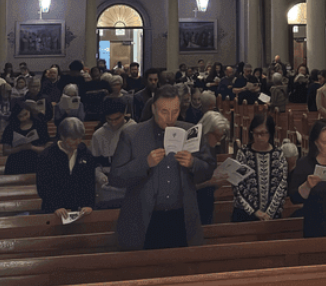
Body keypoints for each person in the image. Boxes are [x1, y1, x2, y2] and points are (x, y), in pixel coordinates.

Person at [108, 86, 216, 249]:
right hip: (143, 220)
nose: (170, 118)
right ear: (153, 108)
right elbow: (115, 177)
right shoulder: (131, 134)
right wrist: (144, 163)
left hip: (182, 218)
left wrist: (193, 163)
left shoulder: (191, 131)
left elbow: (208, 170)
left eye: (175, 111)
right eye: (164, 112)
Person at [35, 117, 103, 220]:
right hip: (54, 210)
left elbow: (89, 182)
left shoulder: (85, 153)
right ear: (62, 137)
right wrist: (56, 206)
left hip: (80, 211)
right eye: (73, 139)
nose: (78, 142)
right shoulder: (47, 155)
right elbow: (43, 186)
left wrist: (89, 205)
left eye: (80, 138)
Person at [233, 114, 289, 222]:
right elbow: (238, 185)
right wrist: (255, 211)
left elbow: (282, 185)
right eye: (255, 133)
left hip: (271, 216)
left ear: (270, 133)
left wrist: (269, 213)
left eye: (263, 133)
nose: (259, 137)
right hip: (245, 215)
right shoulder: (243, 153)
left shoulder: (278, 154)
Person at [91, 104, 130, 207]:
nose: (113, 123)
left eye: (117, 119)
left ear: (124, 114)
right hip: (107, 189)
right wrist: (100, 177)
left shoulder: (135, 130)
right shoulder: (98, 135)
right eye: (109, 119)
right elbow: (95, 164)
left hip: (130, 187)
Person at [0, 102, 48, 175]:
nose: (24, 118)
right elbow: (5, 151)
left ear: (29, 111)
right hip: (15, 163)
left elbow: (46, 148)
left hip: (35, 161)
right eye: (20, 116)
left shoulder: (39, 124)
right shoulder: (11, 127)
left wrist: (31, 147)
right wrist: (20, 148)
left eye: (25, 114)